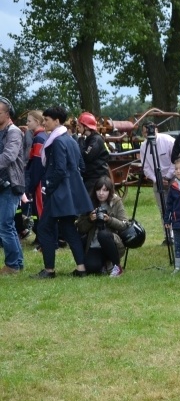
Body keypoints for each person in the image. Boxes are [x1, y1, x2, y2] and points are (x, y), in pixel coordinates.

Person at [34, 105, 94, 278]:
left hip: (58, 193)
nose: (44, 123)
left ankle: (49, 270)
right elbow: (81, 166)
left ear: (57, 121)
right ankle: (81, 268)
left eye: (46, 120)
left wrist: (49, 186)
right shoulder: (71, 140)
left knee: (44, 228)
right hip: (70, 192)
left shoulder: (58, 141)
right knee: (68, 229)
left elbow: (59, 170)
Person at [76, 176, 127, 277]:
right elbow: (80, 228)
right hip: (95, 245)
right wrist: (90, 220)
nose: (101, 193)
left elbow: (124, 225)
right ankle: (104, 265)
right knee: (91, 267)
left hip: (112, 242)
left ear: (110, 191)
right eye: (98, 190)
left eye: (105, 190)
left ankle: (117, 266)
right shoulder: (89, 202)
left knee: (103, 235)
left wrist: (109, 220)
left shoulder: (116, 201)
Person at [0, 96, 26, 274]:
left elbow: (9, 155)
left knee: (4, 225)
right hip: (2, 184)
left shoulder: (14, 132)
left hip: (11, 184)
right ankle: (18, 263)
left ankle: (12, 265)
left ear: (8, 114)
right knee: (7, 225)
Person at [139, 123, 175, 244]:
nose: (148, 134)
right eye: (145, 132)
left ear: (156, 130)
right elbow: (146, 167)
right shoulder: (143, 146)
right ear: (143, 133)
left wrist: (168, 176)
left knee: (176, 206)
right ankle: (168, 236)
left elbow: (176, 160)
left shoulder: (168, 141)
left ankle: (178, 234)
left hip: (173, 176)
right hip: (156, 179)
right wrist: (156, 180)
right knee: (163, 208)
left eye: (151, 131)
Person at [23, 110, 47, 251]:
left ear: (37, 122)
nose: (27, 123)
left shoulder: (38, 139)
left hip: (39, 182)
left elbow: (37, 165)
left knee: (40, 211)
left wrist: (31, 186)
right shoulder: (42, 136)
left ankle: (43, 241)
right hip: (41, 180)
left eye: (29, 121)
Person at [75, 112, 111, 194]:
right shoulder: (90, 139)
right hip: (90, 176)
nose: (78, 128)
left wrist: (80, 141)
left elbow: (86, 156)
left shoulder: (96, 140)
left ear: (86, 127)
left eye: (79, 126)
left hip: (96, 178)